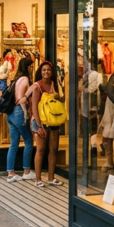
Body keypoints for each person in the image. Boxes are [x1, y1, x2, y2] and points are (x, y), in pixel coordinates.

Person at [29, 60, 65, 188]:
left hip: (53, 120)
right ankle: (38, 179)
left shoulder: (55, 84)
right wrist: (39, 126)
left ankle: (51, 177)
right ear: (40, 72)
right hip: (40, 121)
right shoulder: (37, 86)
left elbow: (61, 99)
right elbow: (34, 107)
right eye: (44, 70)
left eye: (48, 70)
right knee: (41, 150)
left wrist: (58, 97)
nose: (46, 72)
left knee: (53, 150)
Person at [6, 58, 36, 182]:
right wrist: (25, 113)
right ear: (28, 67)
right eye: (31, 66)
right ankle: (26, 171)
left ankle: (11, 173)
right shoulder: (25, 79)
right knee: (29, 140)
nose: (32, 68)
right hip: (18, 111)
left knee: (14, 143)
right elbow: (21, 99)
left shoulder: (16, 79)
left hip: (10, 113)